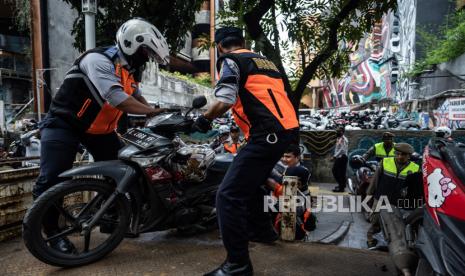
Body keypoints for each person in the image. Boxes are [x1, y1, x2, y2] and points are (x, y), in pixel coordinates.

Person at [32, 18, 170, 253]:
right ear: (131, 44)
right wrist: (151, 111)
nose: (146, 57)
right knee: (52, 178)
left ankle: (109, 217)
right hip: (64, 124)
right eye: (145, 51)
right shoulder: (98, 60)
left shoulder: (128, 69)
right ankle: (53, 234)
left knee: (128, 170)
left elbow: (135, 94)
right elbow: (117, 98)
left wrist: (156, 113)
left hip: (100, 131)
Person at [192, 26, 299, 276]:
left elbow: (225, 99)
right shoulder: (266, 62)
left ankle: (237, 265)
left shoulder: (230, 60)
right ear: (244, 40)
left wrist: (204, 120)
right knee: (249, 183)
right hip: (284, 131)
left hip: (266, 135)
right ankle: (263, 230)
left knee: (228, 196)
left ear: (219, 46)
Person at [365, 143, 421, 248]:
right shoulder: (385, 162)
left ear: (409, 155)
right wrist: (369, 195)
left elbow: (414, 189)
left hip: (397, 202)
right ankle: (371, 240)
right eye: (398, 154)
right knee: (375, 221)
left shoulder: (415, 168)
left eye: (403, 155)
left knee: (395, 224)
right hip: (381, 198)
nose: (400, 156)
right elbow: (375, 180)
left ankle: (391, 244)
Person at [266, 144, 314, 240]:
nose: (284, 159)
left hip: (297, 203)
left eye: (288, 157)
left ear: (297, 157)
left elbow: (282, 180)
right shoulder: (284, 166)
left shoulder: (302, 170)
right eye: (283, 156)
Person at [332, 127, 348, 192]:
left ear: (343, 132)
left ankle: (341, 187)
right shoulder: (339, 138)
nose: (337, 132)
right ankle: (341, 185)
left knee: (337, 171)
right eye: (337, 131)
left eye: (339, 131)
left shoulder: (343, 139)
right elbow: (338, 148)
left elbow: (342, 150)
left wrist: (335, 156)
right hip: (340, 157)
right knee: (339, 172)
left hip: (342, 157)